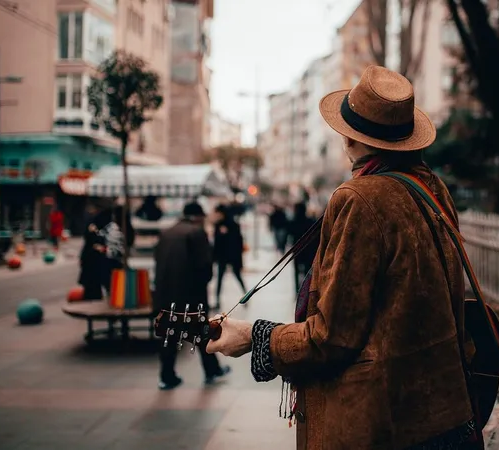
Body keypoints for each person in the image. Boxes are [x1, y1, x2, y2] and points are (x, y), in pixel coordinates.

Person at [206, 66, 480, 448]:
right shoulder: (431, 188)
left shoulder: (359, 199)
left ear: (349, 140)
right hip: (448, 414)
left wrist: (256, 337)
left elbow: (332, 337)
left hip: (387, 425)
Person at [153, 202, 230, 390]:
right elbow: (205, 267)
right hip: (190, 294)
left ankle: (167, 375)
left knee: (169, 334)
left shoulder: (166, 232)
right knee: (201, 332)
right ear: (197, 217)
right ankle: (212, 370)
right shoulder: (196, 233)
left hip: (164, 293)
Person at [213, 204, 247, 308]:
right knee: (220, 278)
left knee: (237, 276)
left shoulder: (232, 224)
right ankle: (217, 300)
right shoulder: (219, 224)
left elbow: (238, 241)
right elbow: (216, 242)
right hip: (223, 256)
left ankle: (246, 296)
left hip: (232, 255)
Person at [287, 202, 318, 293]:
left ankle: (297, 290)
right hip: (308, 250)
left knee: (296, 271)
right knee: (306, 271)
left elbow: (290, 233)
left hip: (297, 250)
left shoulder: (293, 221)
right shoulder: (311, 221)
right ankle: (305, 289)